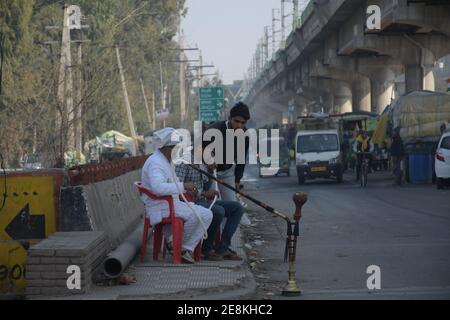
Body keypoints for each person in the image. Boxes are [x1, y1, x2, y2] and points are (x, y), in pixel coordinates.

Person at [141, 128, 212, 264]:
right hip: (161, 206)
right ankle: (180, 248)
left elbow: (172, 181)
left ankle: (182, 247)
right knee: (200, 215)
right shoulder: (156, 163)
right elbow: (158, 188)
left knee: (207, 214)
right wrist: (183, 186)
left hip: (170, 203)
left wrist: (185, 189)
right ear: (168, 148)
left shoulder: (166, 161)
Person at [176, 160, 244, 261]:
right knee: (218, 211)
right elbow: (178, 188)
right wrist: (203, 194)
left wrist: (210, 171)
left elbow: (205, 187)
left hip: (202, 200)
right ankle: (206, 249)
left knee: (237, 208)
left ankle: (223, 248)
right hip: (189, 203)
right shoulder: (184, 162)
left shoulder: (203, 163)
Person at [203, 102, 252, 225]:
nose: (239, 125)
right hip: (208, 172)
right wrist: (208, 159)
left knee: (233, 205)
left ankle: (227, 240)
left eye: (243, 123)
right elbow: (199, 149)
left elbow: (241, 160)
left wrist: (237, 180)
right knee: (211, 205)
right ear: (230, 118)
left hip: (227, 172)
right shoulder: (214, 130)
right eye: (236, 121)